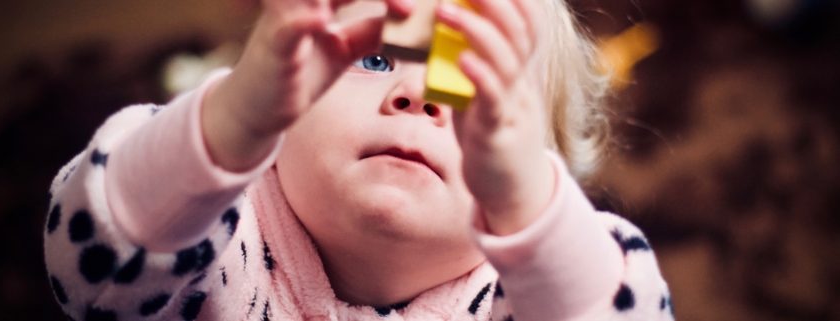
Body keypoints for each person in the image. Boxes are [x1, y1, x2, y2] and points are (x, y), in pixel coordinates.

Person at [43, 0, 675, 320]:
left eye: (470, 88)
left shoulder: (530, 298)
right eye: (375, 59)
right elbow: (93, 265)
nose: (419, 95)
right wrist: (230, 122)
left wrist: (531, 211)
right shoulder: (213, 230)